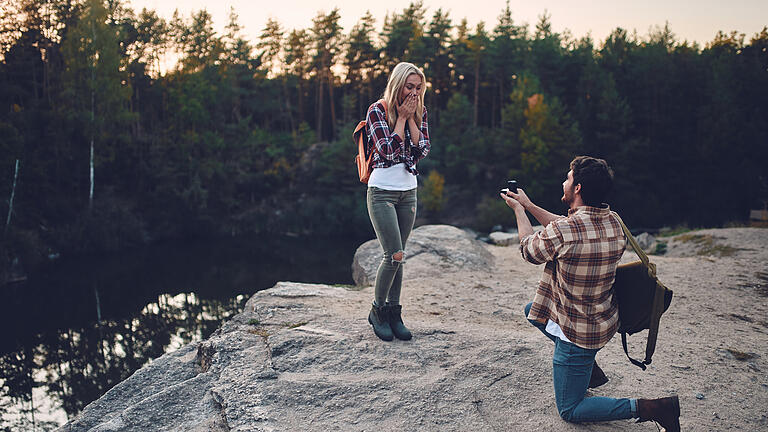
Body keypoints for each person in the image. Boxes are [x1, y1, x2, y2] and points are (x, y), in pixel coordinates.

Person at [500, 156, 681, 431]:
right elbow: (565, 226)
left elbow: (529, 249)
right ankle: (586, 370)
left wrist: (518, 211)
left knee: (570, 409)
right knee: (533, 312)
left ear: (577, 189)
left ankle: (655, 408)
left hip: (577, 336)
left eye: (568, 178)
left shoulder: (566, 232)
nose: (564, 182)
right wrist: (528, 204)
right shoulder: (613, 222)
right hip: (604, 321)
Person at [365, 62, 430, 342]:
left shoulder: (420, 111)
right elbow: (388, 152)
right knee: (392, 255)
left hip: (408, 192)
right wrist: (401, 119)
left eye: (418, 87)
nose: (414, 92)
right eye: (409, 86)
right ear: (398, 84)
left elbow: (422, 148)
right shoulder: (377, 110)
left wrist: (412, 117)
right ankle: (377, 311)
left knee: (400, 256)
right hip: (382, 191)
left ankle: (394, 312)